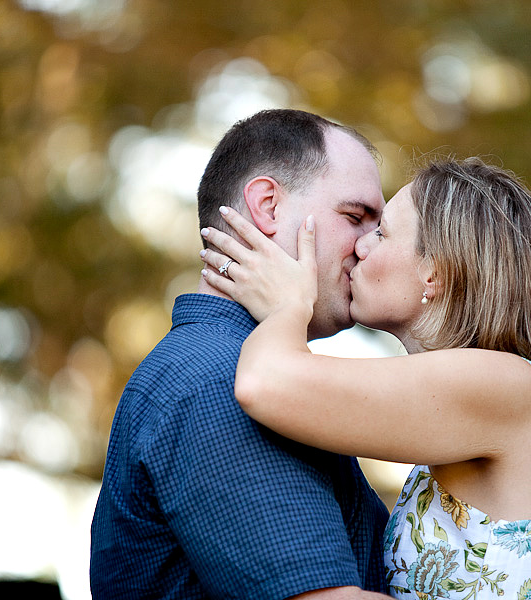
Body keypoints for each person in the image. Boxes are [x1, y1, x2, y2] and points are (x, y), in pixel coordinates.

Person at [199, 157, 531, 599]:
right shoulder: (520, 400)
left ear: (435, 270)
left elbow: (264, 383)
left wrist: (289, 304)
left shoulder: (499, 383)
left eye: (381, 232)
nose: (360, 246)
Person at [90, 109, 395, 599]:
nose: (368, 248)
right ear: (268, 206)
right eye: (355, 217)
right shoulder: (217, 382)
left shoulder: (233, 369)